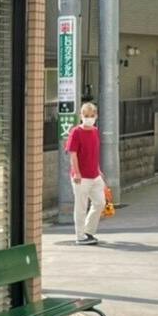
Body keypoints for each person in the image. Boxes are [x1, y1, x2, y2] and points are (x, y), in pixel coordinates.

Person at [65, 101, 106, 246]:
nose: (89, 118)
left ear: (96, 116)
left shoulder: (95, 131)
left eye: (92, 115)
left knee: (100, 202)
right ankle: (80, 236)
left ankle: (88, 231)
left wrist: (98, 170)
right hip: (81, 178)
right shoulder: (76, 132)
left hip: (95, 175)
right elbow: (73, 154)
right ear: (81, 116)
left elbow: (93, 153)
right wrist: (76, 173)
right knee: (81, 207)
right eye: (86, 115)